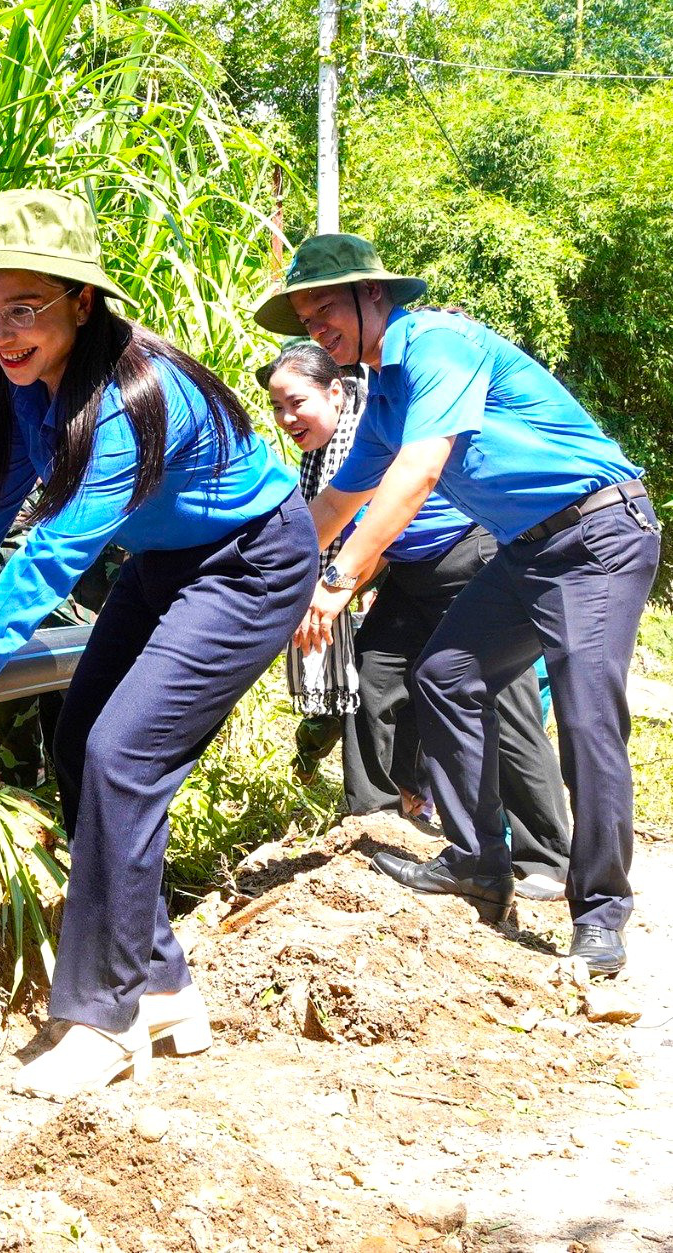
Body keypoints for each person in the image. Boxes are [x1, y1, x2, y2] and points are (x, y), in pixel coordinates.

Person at [0, 189, 315, 1098]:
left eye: (23, 308)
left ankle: (104, 1016)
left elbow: (50, 557)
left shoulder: (135, 398)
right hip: (167, 562)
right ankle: (165, 983)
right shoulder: (24, 386)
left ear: (79, 302)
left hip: (253, 562)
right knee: (78, 740)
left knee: (122, 753)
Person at [262, 234, 659, 974]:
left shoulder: (436, 344)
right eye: (304, 316)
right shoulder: (381, 392)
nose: (316, 325)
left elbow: (415, 473)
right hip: (524, 550)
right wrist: (251, 579)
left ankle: (600, 912)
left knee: (583, 716)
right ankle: (480, 861)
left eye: (326, 307)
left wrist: (339, 579)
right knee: (443, 675)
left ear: (372, 294)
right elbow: (336, 500)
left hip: (596, 532)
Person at [261, 340, 572, 899]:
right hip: (410, 570)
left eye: (296, 402)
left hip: (468, 557)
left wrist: (331, 588)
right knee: (372, 677)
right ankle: (376, 817)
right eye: (277, 407)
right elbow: (325, 521)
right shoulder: (322, 448)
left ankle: (545, 855)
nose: (287, 418)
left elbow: (376, 527)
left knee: (506, 701)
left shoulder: (372, 424)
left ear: (336, 391)